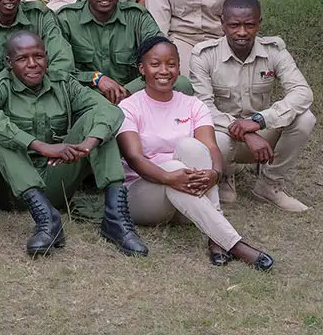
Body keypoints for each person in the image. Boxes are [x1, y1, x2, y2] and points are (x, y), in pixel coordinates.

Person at [0, 31, 147, 257]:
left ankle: (116, 219)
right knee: (0, 135)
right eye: (22, 58)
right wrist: (39, 146)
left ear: (47, 57)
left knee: (101, 126)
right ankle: (46, 221)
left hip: (54, 178)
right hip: (10, 188)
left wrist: (90, 143)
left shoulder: (63, 82)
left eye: (38, 56)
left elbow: (109, 110)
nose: (33, 64)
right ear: (8, 62)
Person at [116, 36, 273, 269]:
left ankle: (215, 237)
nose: (164, 70)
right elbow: (134, 159)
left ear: (179, 68)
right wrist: (169, 177)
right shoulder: (129, 107)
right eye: (155, 64)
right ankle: (233, 244)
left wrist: (215, 173)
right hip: (143, 196)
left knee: (192, 147)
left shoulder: (193, 105)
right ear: (142, 68)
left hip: (185, 199)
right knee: (173, 167)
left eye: (171, 64)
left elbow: (210, 148)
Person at [191, 0, 315, 212]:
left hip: (262, 134)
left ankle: (269, 184)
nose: (241, 32)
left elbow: (302, 92)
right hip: (225, 135)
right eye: (234, 25)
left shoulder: (274, 51)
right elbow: (204, 108)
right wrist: (246, 132)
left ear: (259, 23)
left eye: (249, 25)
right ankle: (224, 176)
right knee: (214, 135)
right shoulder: (203, 55)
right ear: (222, 23)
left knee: (305, 119)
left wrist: (259, 121)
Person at [58, 0, 164, 106]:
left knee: (181, 83)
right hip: (88, 95)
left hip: (134, 93)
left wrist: (128, 90)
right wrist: (96, 78)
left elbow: (161, 56)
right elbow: (59, 69)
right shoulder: (66, 19)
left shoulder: (137, 16)